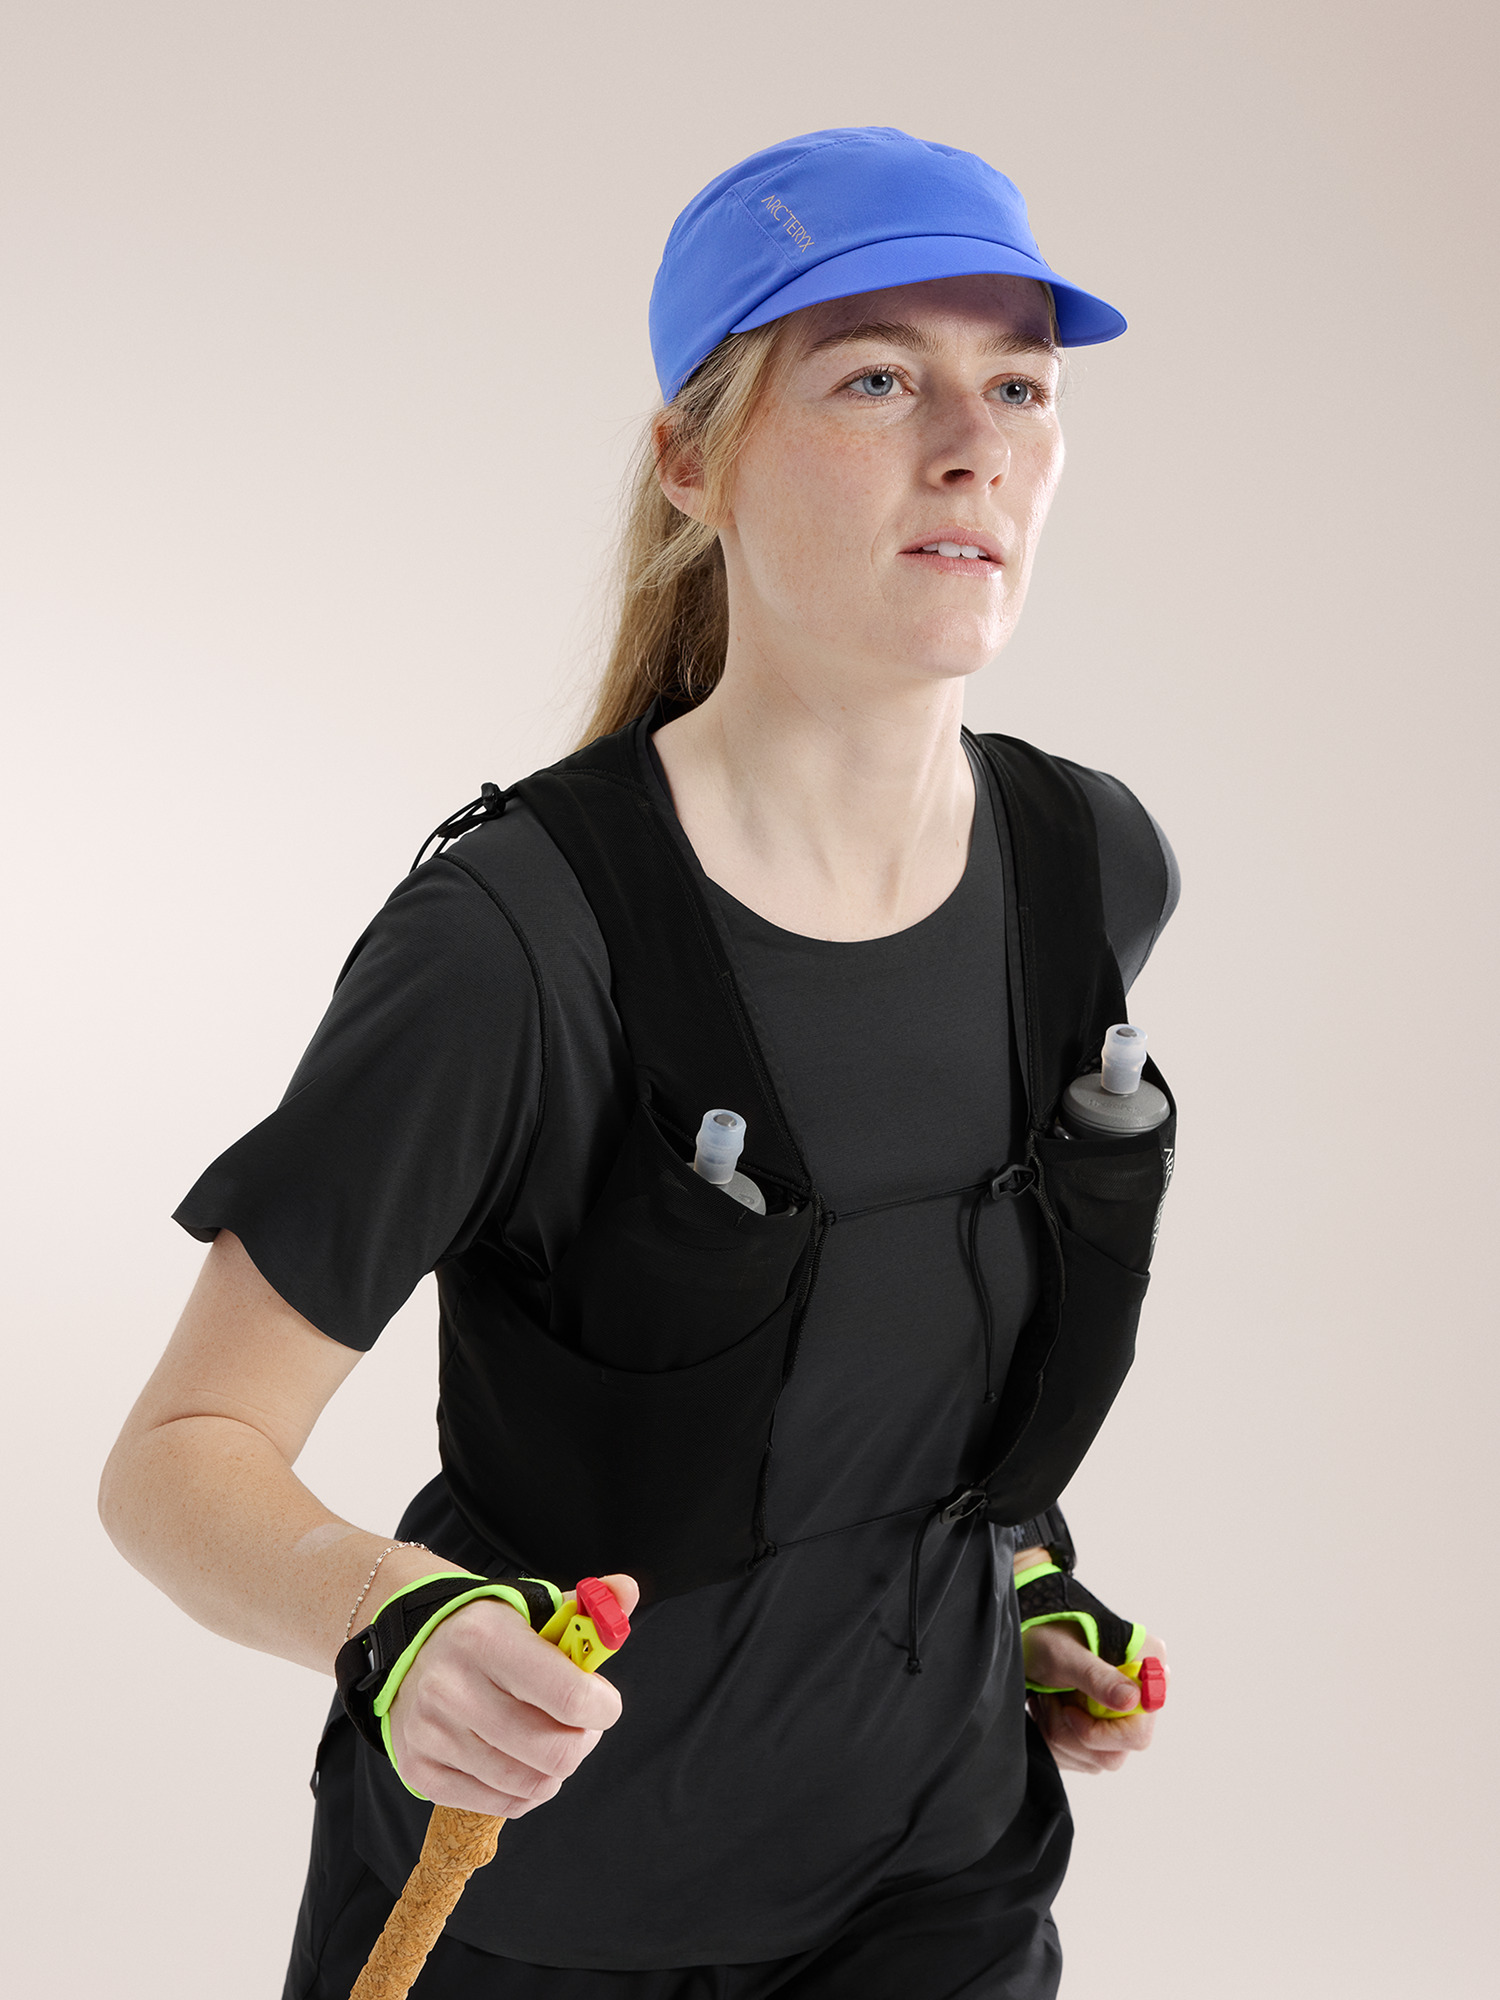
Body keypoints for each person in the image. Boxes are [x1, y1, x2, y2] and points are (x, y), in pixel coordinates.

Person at [100, 127, 1178, 1998]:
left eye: (1017, 385)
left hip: (939, 1889)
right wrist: (396, 1623)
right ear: (694, 460)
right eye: (876, 379)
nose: (973, 445)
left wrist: (1015, 1577)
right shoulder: (516, 945)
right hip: (532, 1912)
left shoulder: (1089, 868)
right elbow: (179, 1465)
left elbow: (905, 1351)